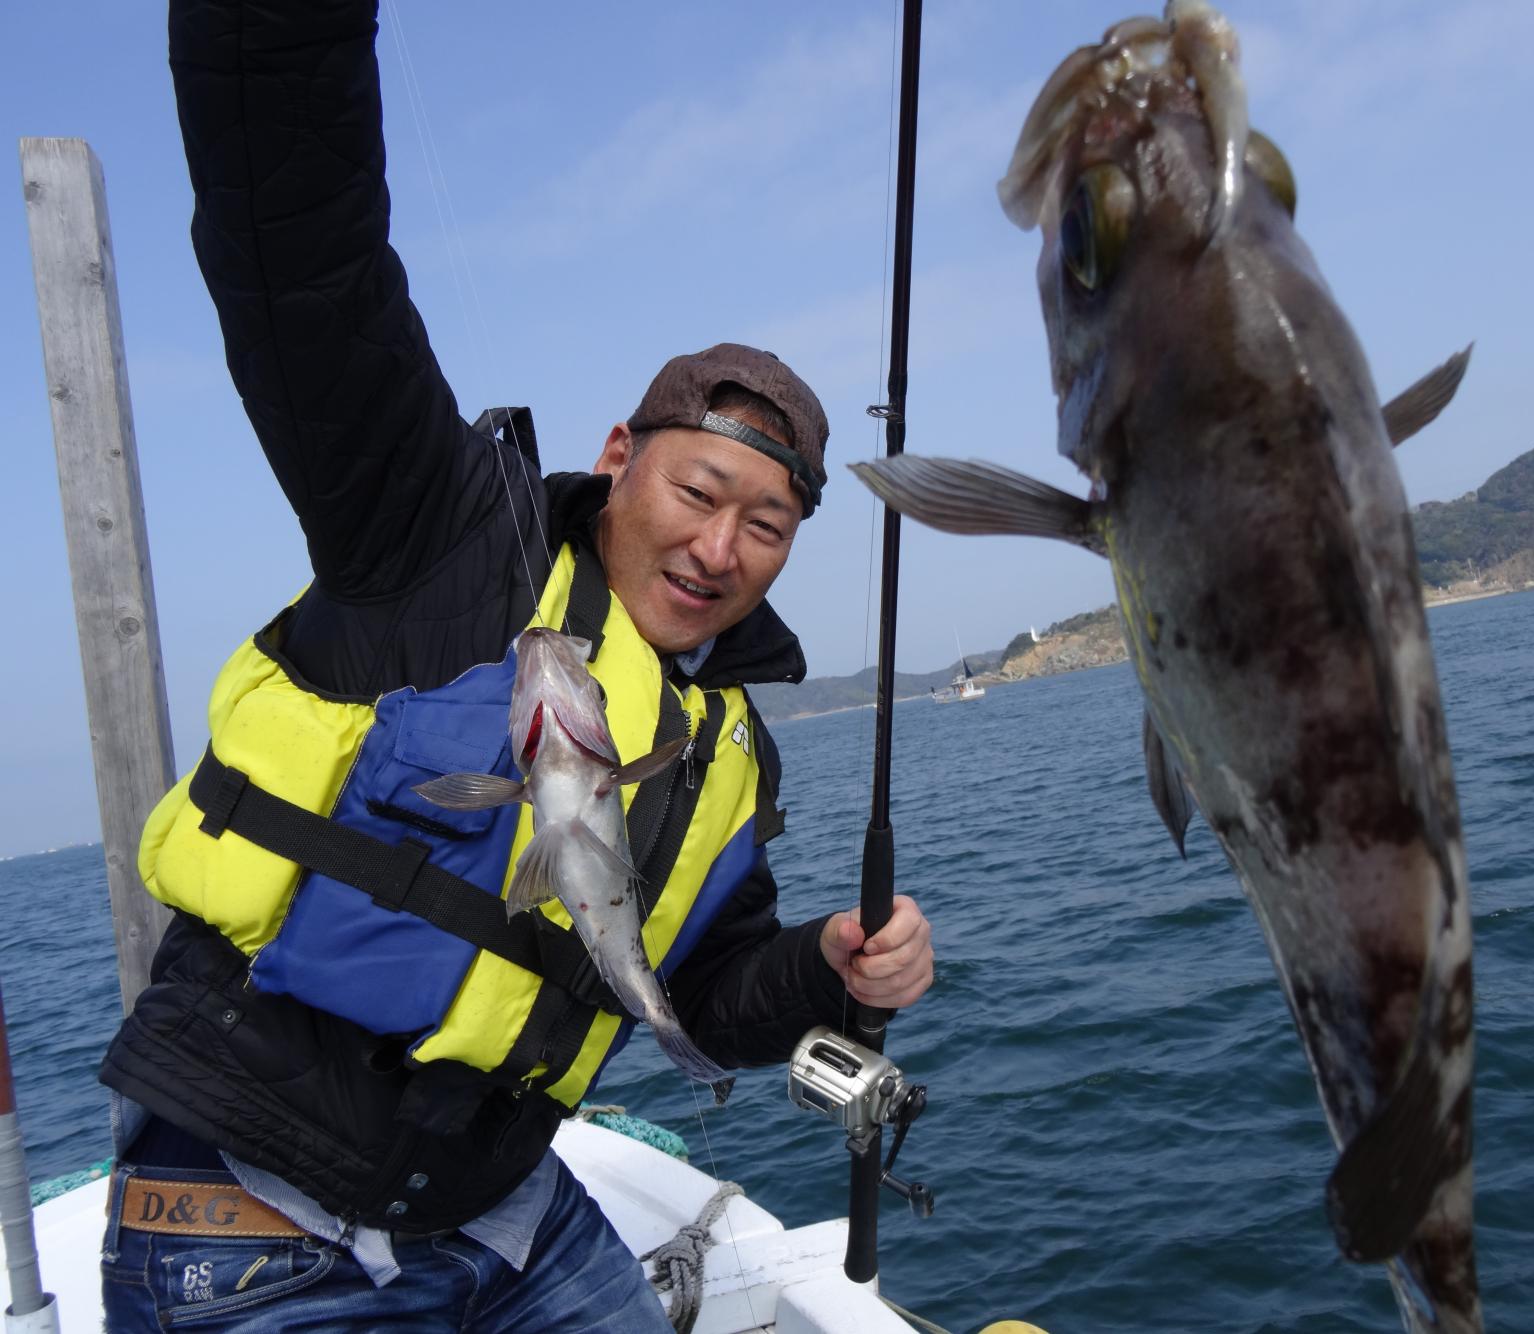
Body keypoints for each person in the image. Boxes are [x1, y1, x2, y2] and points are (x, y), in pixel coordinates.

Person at [95, 2, 933, 1329]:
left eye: (765, 524)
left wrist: (830, 968)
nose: (720, 547)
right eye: (699, 490)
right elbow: (301, 254)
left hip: (503, 1207)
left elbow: (710, 995)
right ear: (618, 454)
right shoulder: (433, 534)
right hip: (249, 1217)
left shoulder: (726, 746)